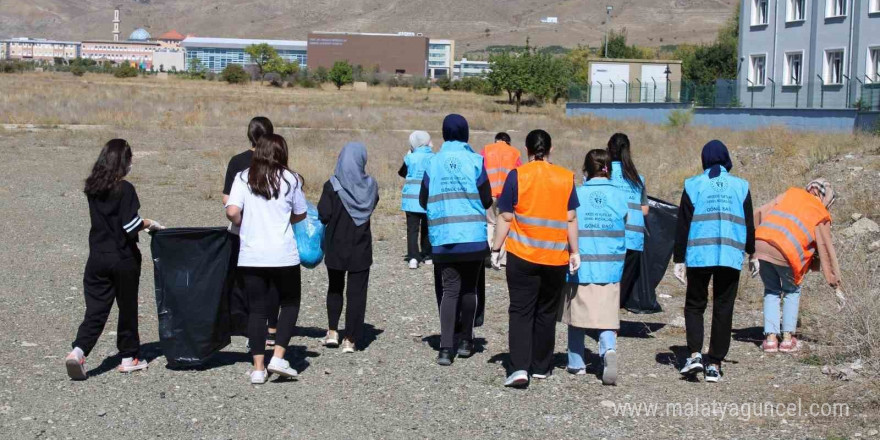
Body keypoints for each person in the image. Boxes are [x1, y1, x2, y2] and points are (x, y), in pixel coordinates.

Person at [65, 139, 165, 380]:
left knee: (96, 309)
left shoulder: (93, 188)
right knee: (127, 308)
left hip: (97, 257)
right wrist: (151, 223)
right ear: (123, 162)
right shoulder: (125, 189)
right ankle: (129, 357)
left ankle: (78, 351)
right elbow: (130, 226)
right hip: (123, 257)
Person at [491, 129, 580, 387]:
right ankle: (541, 365)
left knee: (520, 310)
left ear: (527, 150)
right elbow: (571, 218)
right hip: (555, 257)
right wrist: (575, 251)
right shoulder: (565, 177)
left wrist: (496, 249)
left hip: (522, 256)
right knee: (546, 311)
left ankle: (519, 367)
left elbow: (506, 217)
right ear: (550, 150)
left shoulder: (517, 175)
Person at [226, 133, 308, 384]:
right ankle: (279, 356)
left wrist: (244, 224)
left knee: (257, 311)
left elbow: (231, 211)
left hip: (252, 254)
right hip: (283, 254)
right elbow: (300, 214)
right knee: (290, 303)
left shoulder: (243, 177)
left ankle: (258, 368)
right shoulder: (291, 179)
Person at [673, 140, 756, 383]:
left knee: (695, 305)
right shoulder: (741, 186)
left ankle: (695, 354)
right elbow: (749, 222)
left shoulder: (693, 184)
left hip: (700, 254)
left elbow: (683, 224)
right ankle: (715, 363)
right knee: (723, 306)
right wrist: (753, 253)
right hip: (730, 255)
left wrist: (678, 259)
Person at [419, 114, 493, 366]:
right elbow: (486, 200)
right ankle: (466, 341)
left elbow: (422, 200)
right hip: (472, 238)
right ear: (465, 132)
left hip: (444, 237)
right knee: (470, 289)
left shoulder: (433, 162)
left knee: (449, 290)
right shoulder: (475, 160)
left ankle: (445, 348)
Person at [562, 149, 628, 385]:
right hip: (610, 266)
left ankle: (576, 362)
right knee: (606, 315)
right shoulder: (620, 196)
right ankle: (608, 349)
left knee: (577, 315)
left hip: (581, 264)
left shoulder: (576, 194)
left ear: (586, 170)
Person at [754, 179, 843, 353]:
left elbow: (760, 212)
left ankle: (771, 339)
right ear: (826, 198)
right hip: (788, 253)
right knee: (791, 291)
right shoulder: (820, 213)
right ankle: (787, 339)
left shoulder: (791, 193)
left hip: (762, 244)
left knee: (771, 290)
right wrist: (835, 283)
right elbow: (826, 251)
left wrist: (749, 245)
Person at [319, 142, 379, 353]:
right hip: (360, 247)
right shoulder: (371, 185)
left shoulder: (331, 185)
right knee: (357, 293)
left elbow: (323, 215)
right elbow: (372, 206)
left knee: (335, 288)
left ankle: (333, 331)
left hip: (336, 246)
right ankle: (350, 339)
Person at [223, 116, 277, 347]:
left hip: (242, 230)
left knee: (244, 281)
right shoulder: (277, 161)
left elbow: (228, 200)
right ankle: (271, 327)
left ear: (249, 135)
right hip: (273, 232)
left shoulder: (237, 162)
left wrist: (243, 220)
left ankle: (246, 326)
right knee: (272, 283)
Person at [606, 133, 648, 309]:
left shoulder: (603, 174)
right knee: (623, 286)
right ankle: (613, 326)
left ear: (608, 150)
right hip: (633, 238)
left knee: (607, 282)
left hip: (609, 238)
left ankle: (602, 323)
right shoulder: (638, 178)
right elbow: (644, 210)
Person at [481, 132, 522, 268]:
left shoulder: (486, 150)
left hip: (488, 192)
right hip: (507, 194)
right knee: (505, 223)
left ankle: (486, 256)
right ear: (508, 142)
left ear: (496, 140)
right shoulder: (515, 153)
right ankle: (502, 258)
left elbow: (480, 171)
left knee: (489, 223)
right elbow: (519, 174)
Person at [398, 131, 434, 269]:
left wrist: (408, 156)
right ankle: (427, 255)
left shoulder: (410, 158)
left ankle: (413, 258)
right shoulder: (433, 157)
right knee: (427, 227)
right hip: (428, 199)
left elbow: (402, 173)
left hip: (411, 201)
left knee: (412, 229)